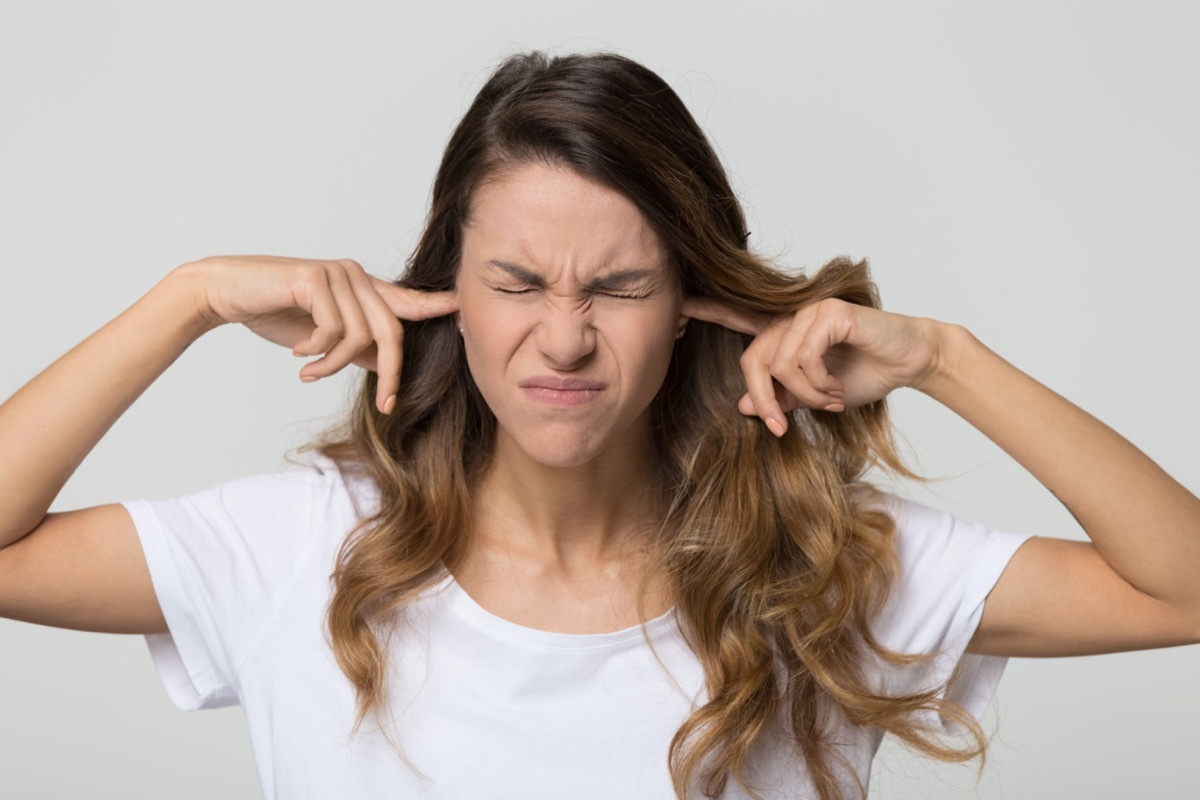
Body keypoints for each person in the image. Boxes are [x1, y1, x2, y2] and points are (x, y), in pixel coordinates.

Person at [1, 50, 1197, 800]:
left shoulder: (820, 566)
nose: (563, 340)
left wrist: (946, 358)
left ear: (689, 306)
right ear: (446, 293)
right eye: (517, 284)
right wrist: (189, 298)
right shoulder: (298, 549)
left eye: (618, 288)